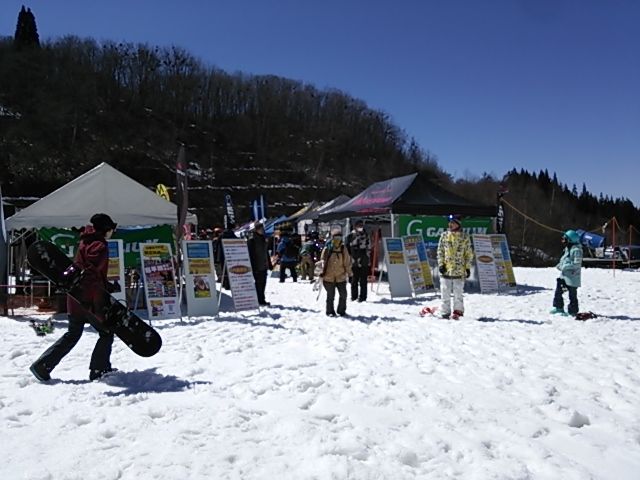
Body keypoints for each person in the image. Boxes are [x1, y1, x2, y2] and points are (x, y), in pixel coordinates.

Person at [30, 213, 119, 382]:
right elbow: (91, 272)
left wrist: (107, 286)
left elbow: (84, 271)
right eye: (112, 229)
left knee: (72, 334)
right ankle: (99, 369)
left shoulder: (84, 241)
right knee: (106, 332)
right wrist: (101, 291)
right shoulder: (99, 245)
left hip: (75, 298)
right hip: (89, 300)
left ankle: (42, 366)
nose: (112, 232)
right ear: (106, 229)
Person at [436, 214, 473, 319]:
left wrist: (467, 267)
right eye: (449, 223)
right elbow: (440, 251)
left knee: (458, 293)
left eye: (452, 223)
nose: (450, 225)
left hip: (459, 270)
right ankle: (445, 311)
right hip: (446, 270)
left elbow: (468, 254)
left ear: (458, 224)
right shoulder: (444, 236)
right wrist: (441, 264)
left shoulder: (464, 237)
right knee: (445, 291)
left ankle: (458, 311)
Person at [319, 229, 352, 316]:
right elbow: (322, 261)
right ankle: (330, 311)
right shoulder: (327, 248)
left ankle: (341, 311)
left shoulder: (343, 248)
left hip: (340, 276)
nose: (338, 239)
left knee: (343, 295)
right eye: (336, 237)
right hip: (328, 277)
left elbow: (347, 262)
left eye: (339, 237)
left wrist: (350, 274)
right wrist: (321, 272)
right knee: (330, 296)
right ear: (332, 238)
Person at [551, 230, 583, 316]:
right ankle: (558, 307)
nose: (563, 241)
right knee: (558, 291)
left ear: (570, 240)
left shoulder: (577, 250)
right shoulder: (567, 249)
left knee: (572, 295)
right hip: (564, 276)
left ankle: (573, 311)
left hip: (572, 277)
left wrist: (565, 266)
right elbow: (564, 259)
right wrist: (560, 265)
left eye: (565, 239)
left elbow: (576, 264)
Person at [247, 221, 273, 305]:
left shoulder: (263, 238)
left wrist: (269, 263)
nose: (262, 230)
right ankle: (258, 300)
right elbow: (251, 255)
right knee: (258, 283)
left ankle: (261, 299)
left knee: (263, 283)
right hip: (256, 265)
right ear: (256, 229)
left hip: (263, 264)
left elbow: (266, 253)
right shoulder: (252, 240)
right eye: (261, 228)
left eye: (262, 228)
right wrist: (253, 266)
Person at [346, 219, 371, 302]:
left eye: (361, 226)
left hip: (364, 260)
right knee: (354, 279)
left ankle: (363, 297)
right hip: (354, 260)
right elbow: (347, 248)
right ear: (355, 226)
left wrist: (367, 257)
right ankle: (354, 296)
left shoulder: (366, 235)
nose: (360, 227)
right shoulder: (350, 236)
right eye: (359, 226)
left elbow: (369, 247)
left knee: (363, 280)